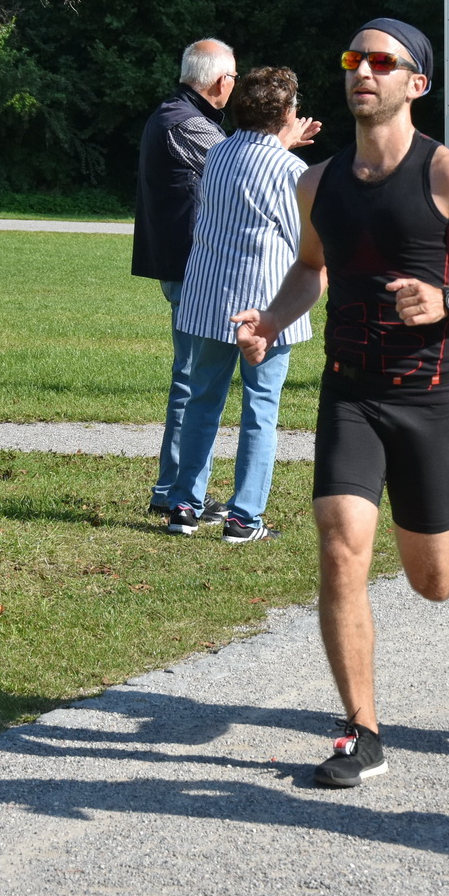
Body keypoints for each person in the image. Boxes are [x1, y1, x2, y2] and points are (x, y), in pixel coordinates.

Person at [232, 18, 449, 788]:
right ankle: (361, 732)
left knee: (432, 577)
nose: (362, 71)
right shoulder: (316, 182)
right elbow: (311, 268)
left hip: (427, 397)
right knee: (339, 543)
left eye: (381, 62)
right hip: (351, 391)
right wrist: (271, 320)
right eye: (353, 59)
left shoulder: (448, 175)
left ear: (415, 83)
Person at [163, 67, 321, 543]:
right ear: (287, 113)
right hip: (265, 307)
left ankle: (184, 505)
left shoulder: (218, 153)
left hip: (210, 296)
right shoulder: (290, 170)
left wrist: (283, 144)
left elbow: (253, 170)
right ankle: (244, 517)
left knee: (202, 401)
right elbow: (304, 244)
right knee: (260, 409)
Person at [133, 38, 238, 525]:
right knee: (193, 379)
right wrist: (279, 145)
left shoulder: (174, 113)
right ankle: (175, 492)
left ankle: (173, 488)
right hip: (189, 267)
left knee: (191, 377)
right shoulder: (187, 123)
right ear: (218, 81)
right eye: (234, 76)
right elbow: (239, 169)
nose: (235, 84)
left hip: (182, 264)